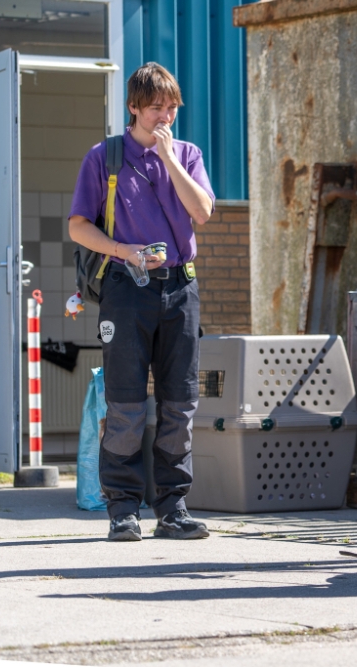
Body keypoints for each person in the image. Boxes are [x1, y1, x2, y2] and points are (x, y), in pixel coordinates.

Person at [68, 63, 214, 542]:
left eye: (172, 107)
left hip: (181, 287)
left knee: (179, 403)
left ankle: (172, 507)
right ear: (133, 107)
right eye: (156, 108)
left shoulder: (187, 154)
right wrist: (122, 250)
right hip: (127, 288)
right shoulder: (105, 157)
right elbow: (78, 225)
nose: (166, 117)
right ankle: (123, 508)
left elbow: (203, 213)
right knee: (127, 402)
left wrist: (170, 160)